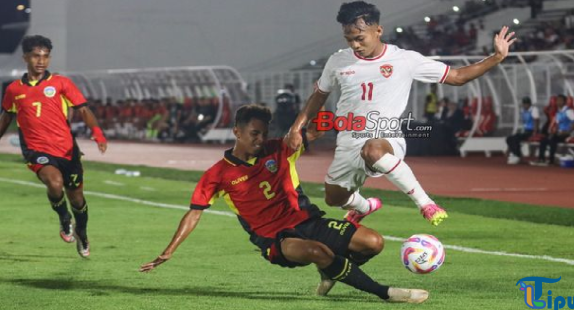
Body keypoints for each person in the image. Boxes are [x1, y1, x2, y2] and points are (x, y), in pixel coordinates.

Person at [139, 105, 428, 304]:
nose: (261, 139)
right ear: (236, 132)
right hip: (275, 238)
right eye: (254, 133)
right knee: (318, 251)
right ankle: (385, 293)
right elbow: (194, 214)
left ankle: (331, 270)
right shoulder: (218, 174)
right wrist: (168, 252)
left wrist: (338, 112)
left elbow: (313, 130)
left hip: (309, 221)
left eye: (264, 132)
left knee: (374, 242)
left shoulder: (280, 148)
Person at [285, 1, 516, 225]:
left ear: (378, 30)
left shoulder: (405, 60)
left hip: (387, 138)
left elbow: (457, 77)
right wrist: (296, 128)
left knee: (373, 150)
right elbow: (319, 94)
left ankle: (426, 204)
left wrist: (496, 58)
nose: (354, 45)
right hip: (347, 140)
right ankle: (366, 207)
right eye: (349, 39)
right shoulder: (338, 61)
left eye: (359, 38)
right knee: (334, 198)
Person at [0, 35, 107, 257]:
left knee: (77, 198)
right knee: (54, 183)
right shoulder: (13, 89)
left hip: (67, 150)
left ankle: (82, 232)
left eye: (45, 57)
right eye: (36, 56)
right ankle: (63, 218)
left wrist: (97, 132)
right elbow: (6, 116)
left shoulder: (61, 83)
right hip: (36, 148)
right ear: (25, 57)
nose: (41, 61)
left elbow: (83, 110)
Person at [530, 94, 574, 166]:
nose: (558, 102)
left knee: (553, 140)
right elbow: (558, 124)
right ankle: (541, 159)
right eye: (557, 100)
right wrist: (555, 131)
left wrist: (568, 131)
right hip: (560, 133)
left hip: (568, 134)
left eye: (560, 100)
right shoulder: (558, 112)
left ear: (564, 102)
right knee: (544, 140)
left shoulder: (568, 111)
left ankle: (551, 160)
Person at [506, 97, 540, 164]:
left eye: (526, 104)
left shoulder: (534, 110)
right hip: (525, 131)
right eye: (524, 104)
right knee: (509, 138)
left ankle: (517, 155)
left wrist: (535, 132)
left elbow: (536, 121)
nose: (525, 106)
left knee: (515, 138)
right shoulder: (523, 110)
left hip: (531, 131)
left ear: (530, 104)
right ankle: (516, 153)